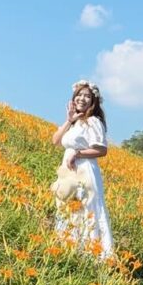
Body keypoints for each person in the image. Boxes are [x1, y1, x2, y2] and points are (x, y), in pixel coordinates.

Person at [50, 80, 114, 261]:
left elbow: (102, 150)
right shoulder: (74, 122)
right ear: (73, 98)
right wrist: (69, 121)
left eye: (87, 96)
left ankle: (93, 255)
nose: (82, 99)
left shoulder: (93, 121)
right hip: (68, 170)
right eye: (79, 95)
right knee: (67, 207)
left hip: (84, 169)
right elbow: (55, 141)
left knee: (87, 208)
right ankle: (69, 250)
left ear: (93, 101)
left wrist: (78, 154)